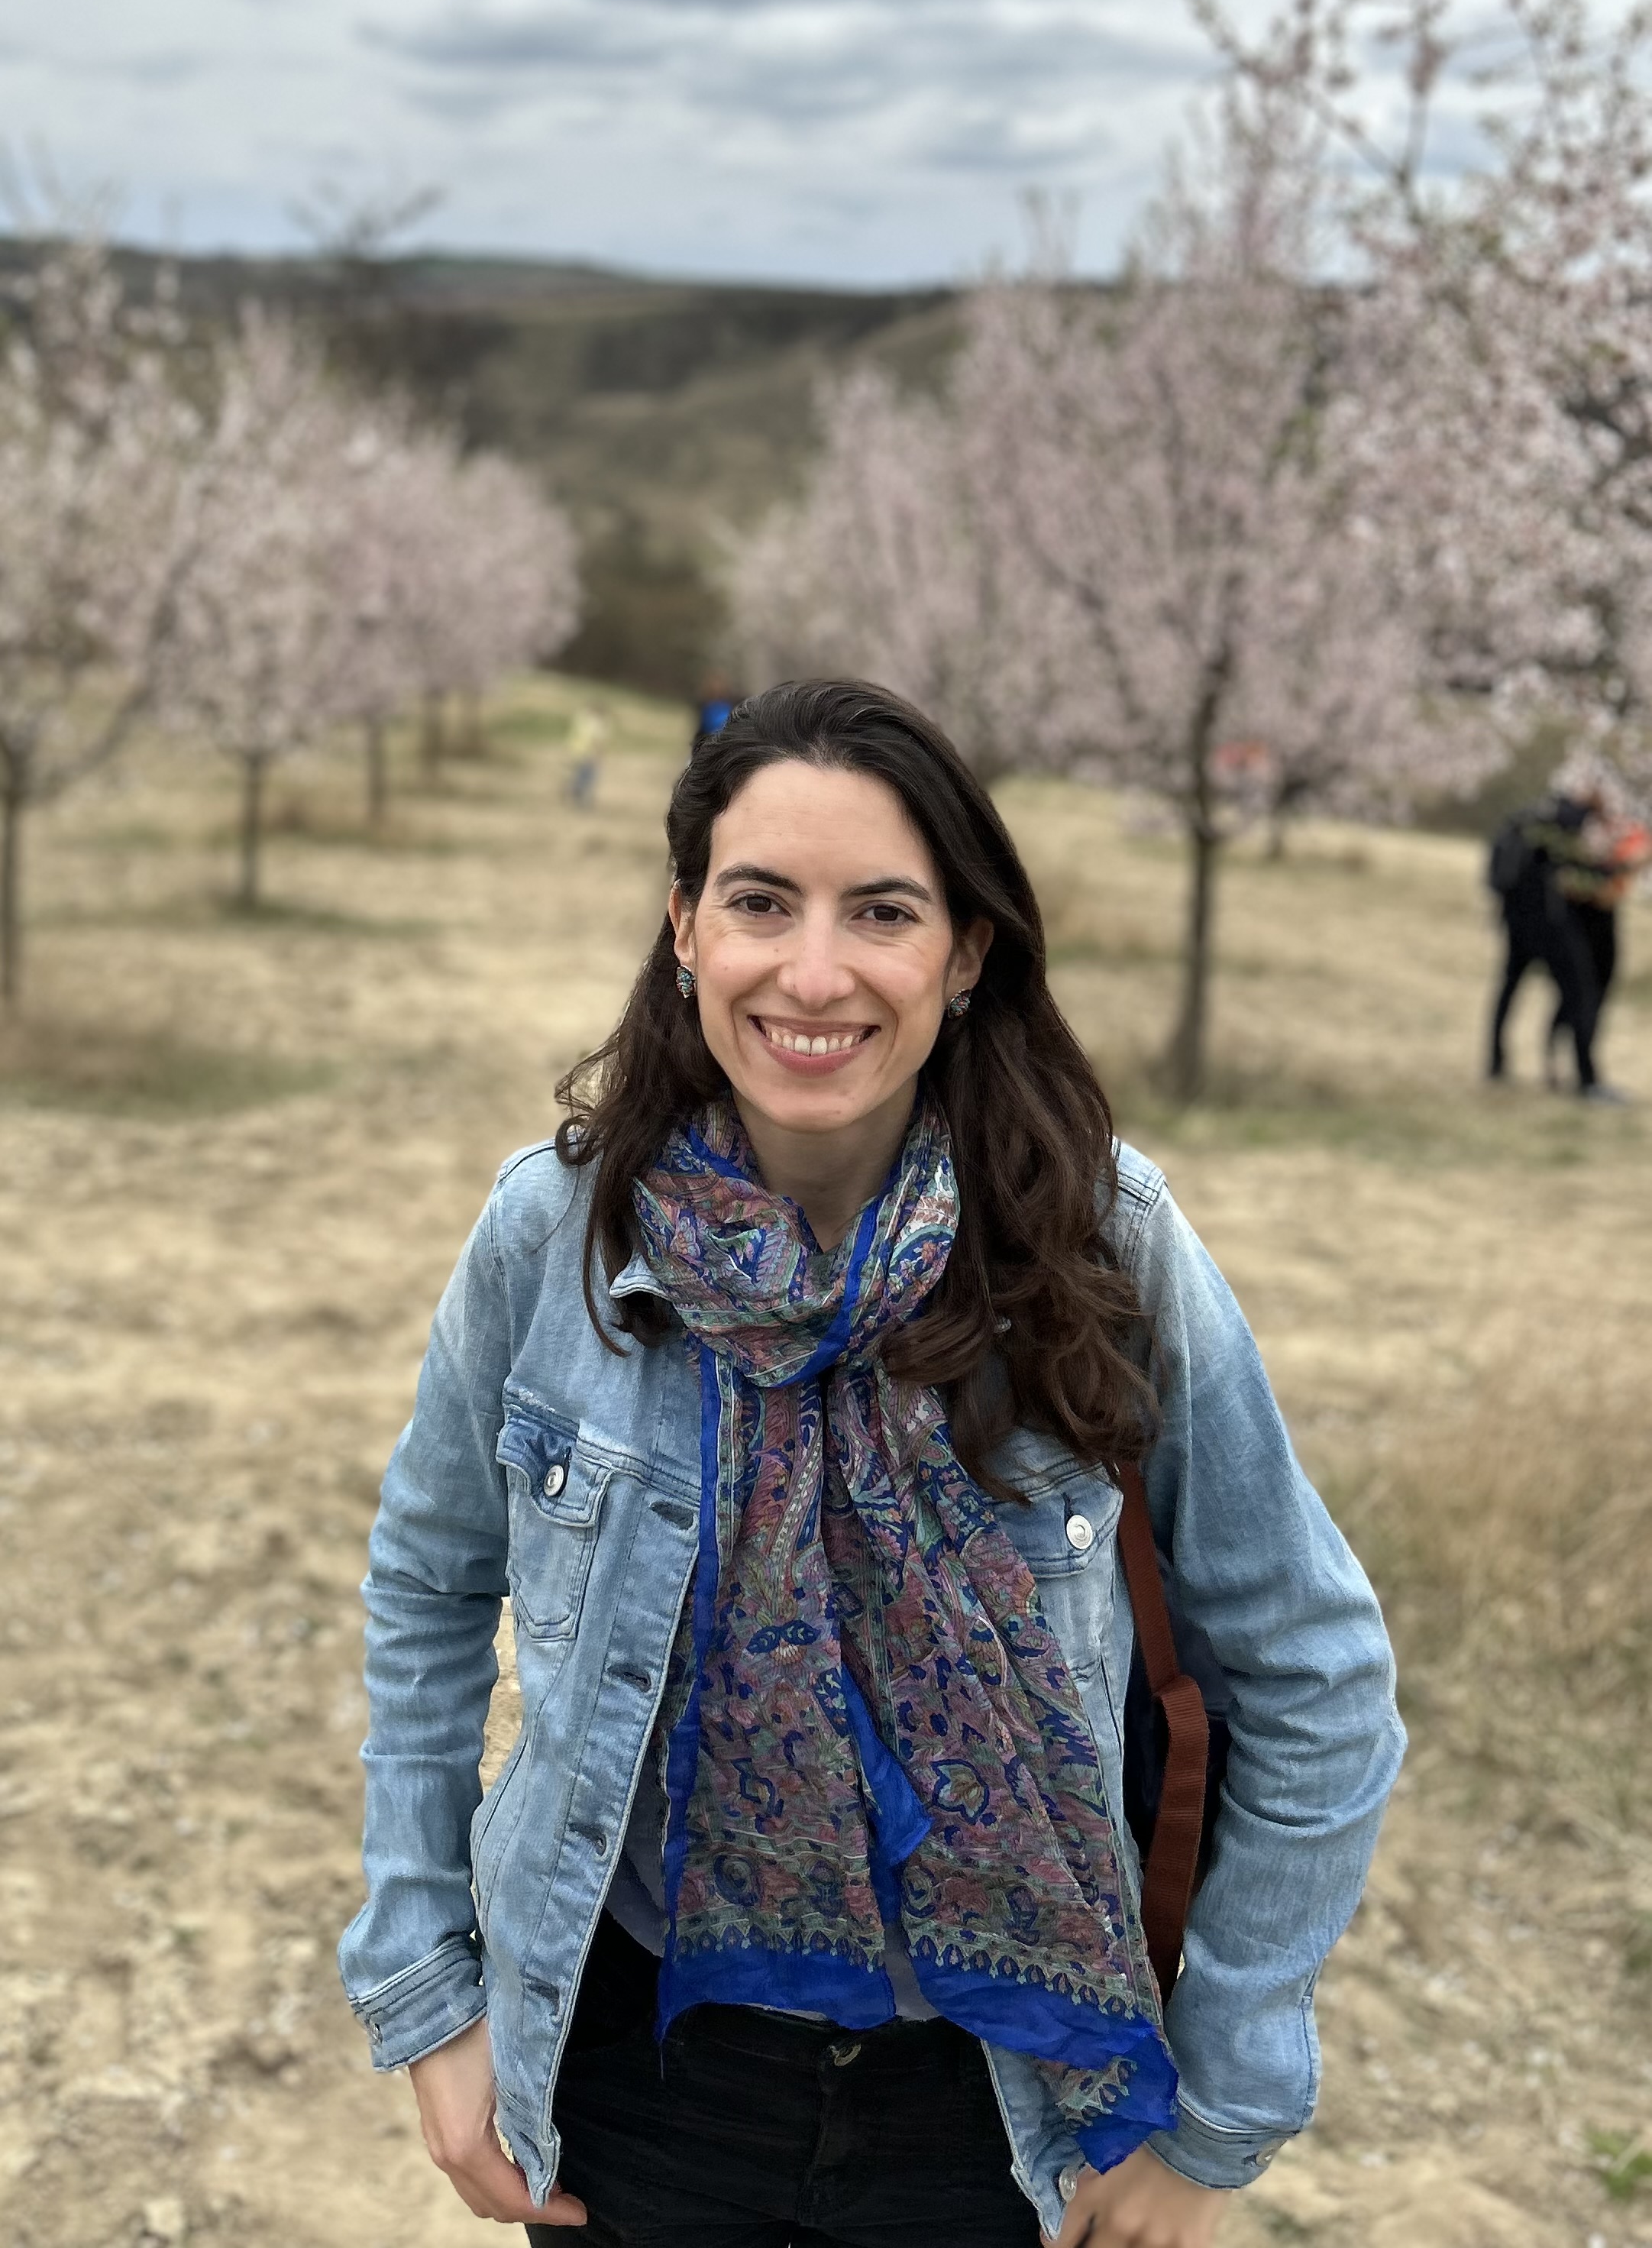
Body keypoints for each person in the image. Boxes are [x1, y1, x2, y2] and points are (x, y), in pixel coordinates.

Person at [338, 680, 1405, 2248]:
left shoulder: (1097, 1247)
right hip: (640, 2077)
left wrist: (1215, 2113)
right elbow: (428, 1590)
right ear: (685, 927)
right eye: (760, 901)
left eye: (883, 911)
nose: (813, 970)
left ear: (963, 955)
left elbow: (1313, 1674)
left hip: (993, 2109)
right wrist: (430, 1999)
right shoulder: (553, 1237)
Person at [1486, 788, 1615, 1096]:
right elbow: (1584, 871)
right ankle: (1587, 1080)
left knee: (1509, 990)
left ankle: (1494, 1062)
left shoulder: (1532, 817)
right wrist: (1616, 869)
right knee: (1580, 993)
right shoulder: (1567, 823)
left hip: (1516, 922)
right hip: (1550, 924)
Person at [1544, 802, 1650, 1096]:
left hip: (1602, 916)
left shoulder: (1621, 824)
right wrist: (1624, 865)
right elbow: (1580, 872)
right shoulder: (1577, 822)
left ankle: (1577, 1069)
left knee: (1593, 993)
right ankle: (1582, 1076)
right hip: (1579, 918)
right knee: (1581, 994)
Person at [566, 702, 606, 808]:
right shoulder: (596, 723)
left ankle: (575, 790)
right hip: (590, 754)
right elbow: (597, 741)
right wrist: (599, 755)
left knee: (580, 774)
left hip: (577, 751)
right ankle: (582, 798)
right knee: (589, 778)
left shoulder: (582, 720)